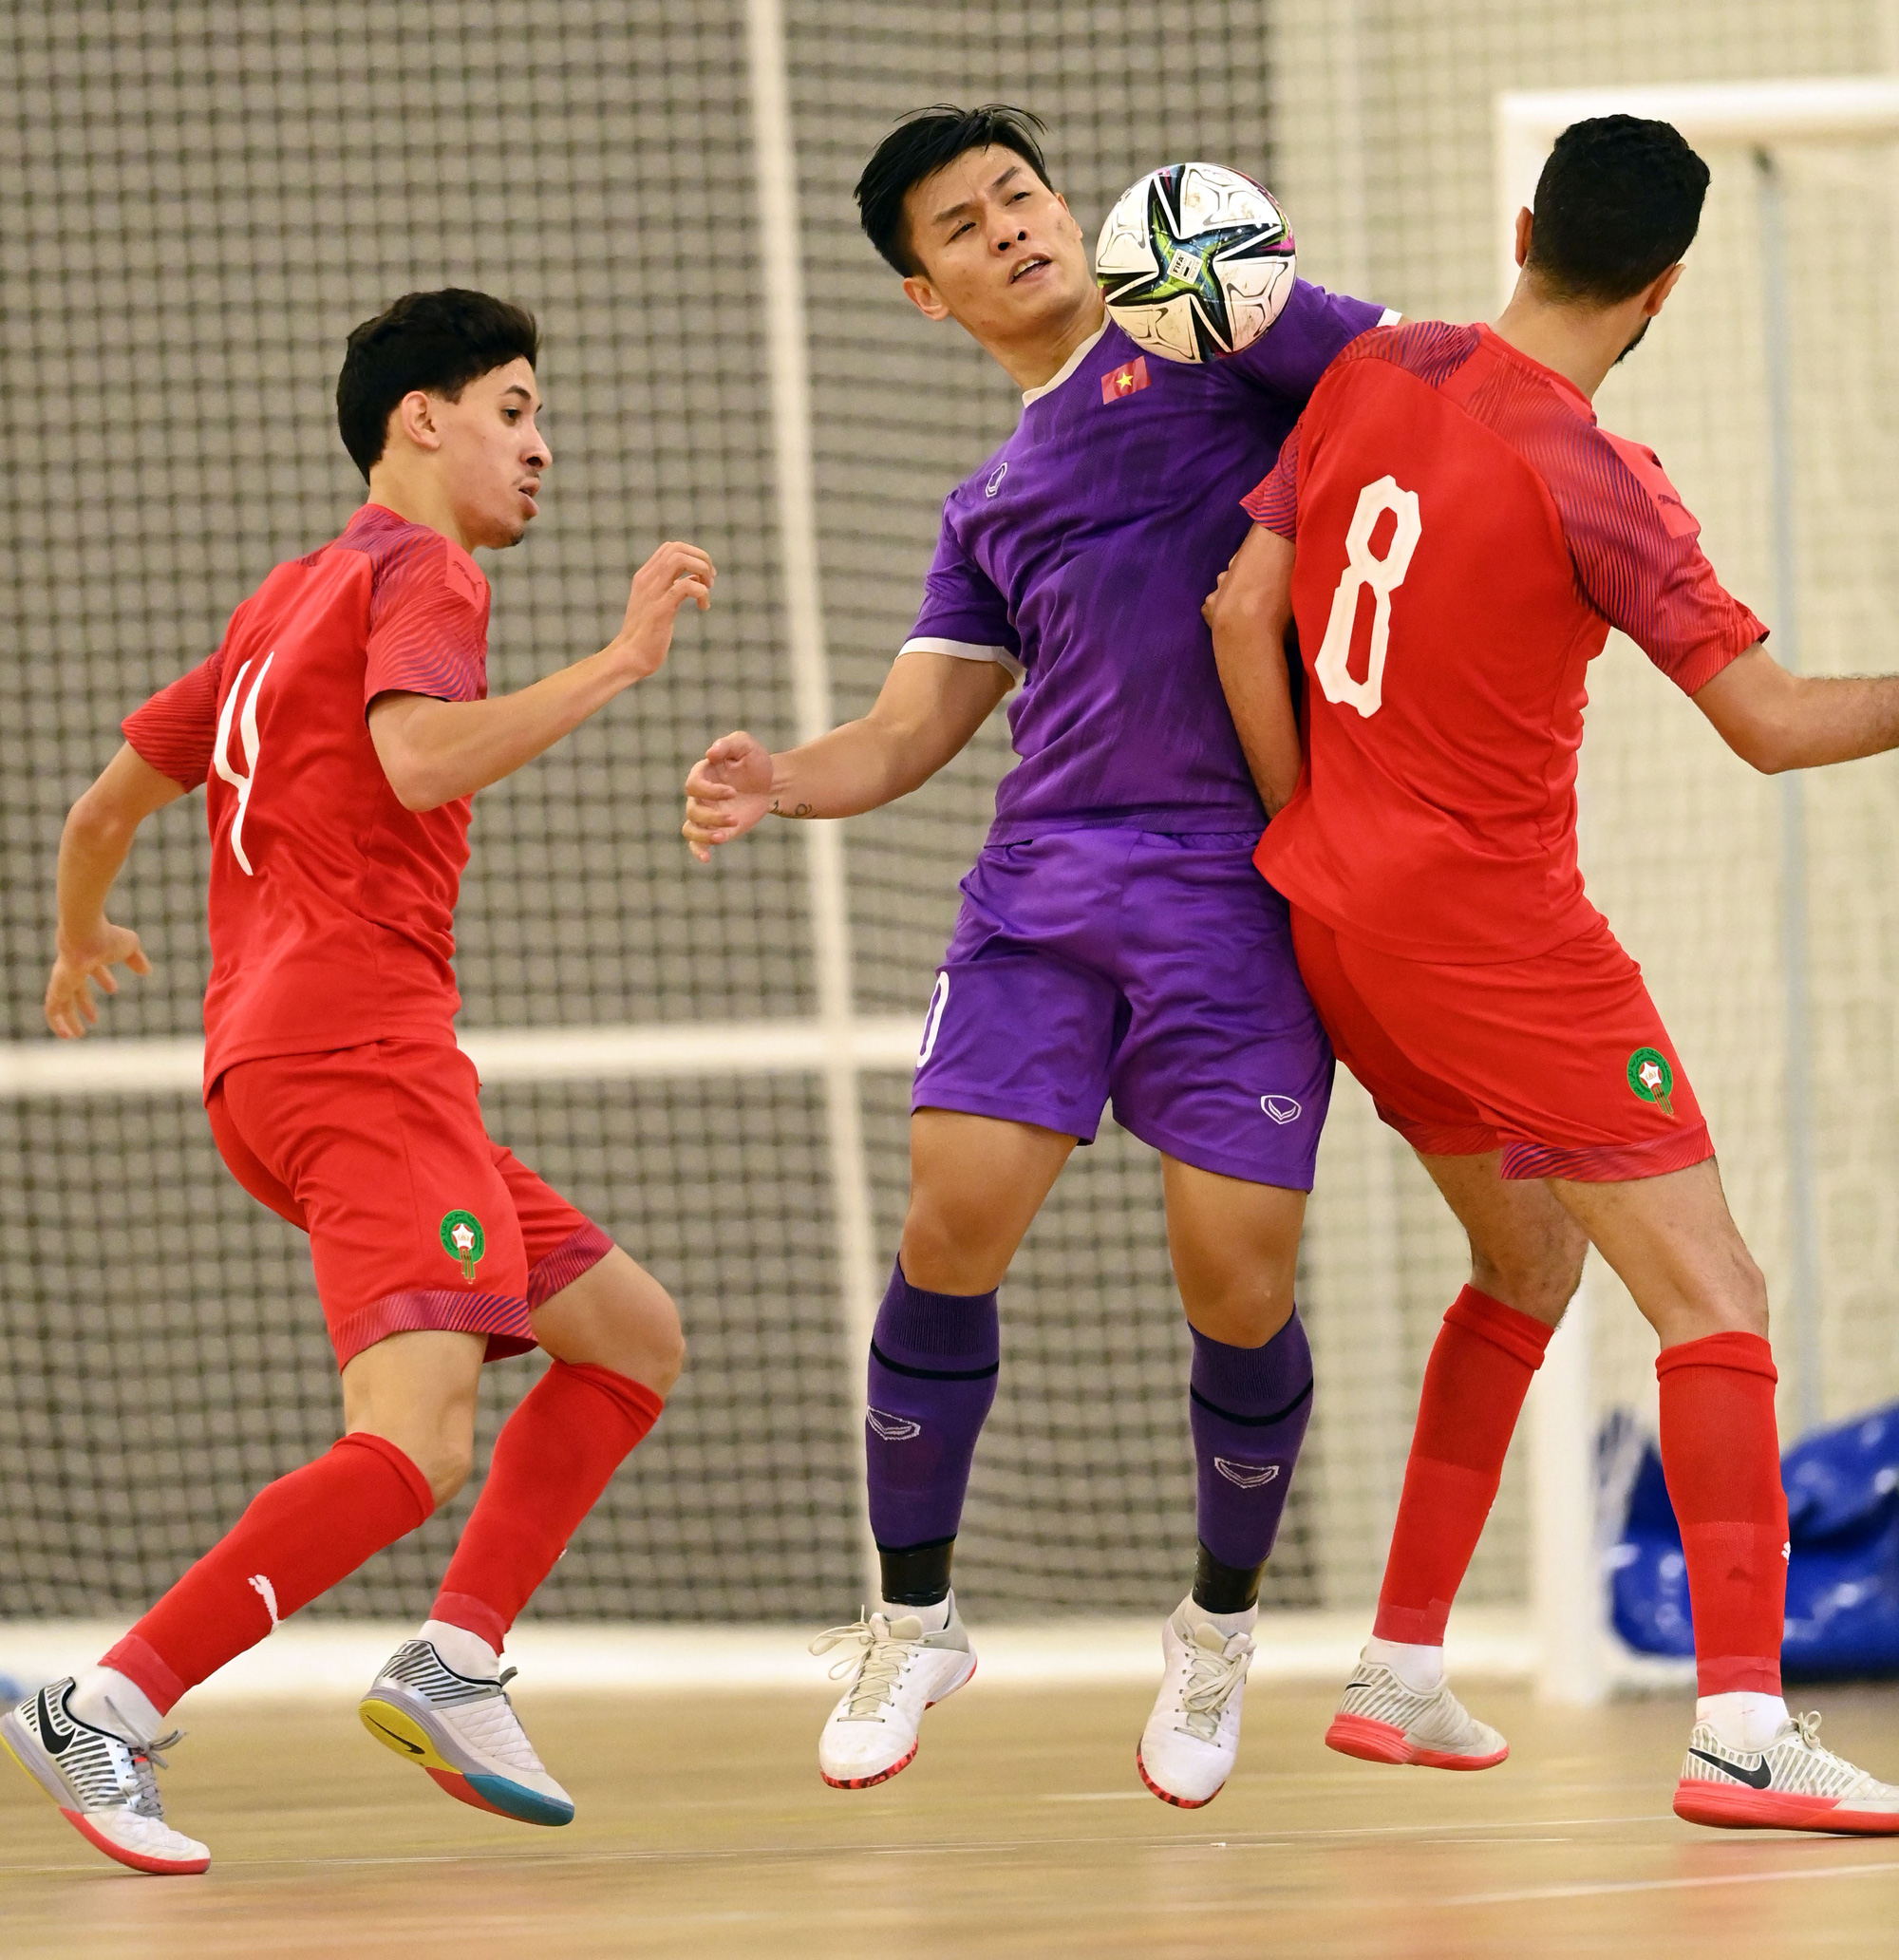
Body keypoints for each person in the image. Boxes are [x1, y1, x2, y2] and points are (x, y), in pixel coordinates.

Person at [683, 104, 1391, 1807]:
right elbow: (911, 727)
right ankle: (914, 1618)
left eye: (1020, 194)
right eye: (960, 226)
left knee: (1239, 1283)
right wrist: (782, 778)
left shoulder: (1224, 348)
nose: (1007, 228)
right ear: (928, 296)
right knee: (952, 1217)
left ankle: (1217, 1633)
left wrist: (1261, 294)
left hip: (1239, 894)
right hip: (1045, 891)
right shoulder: (987, 496)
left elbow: (1405, 372)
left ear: (1071, 211)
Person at [1207, 114, 1899, 1833]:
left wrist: (1325, 832)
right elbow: (1776, 727)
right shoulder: (1601, 477)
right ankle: (1746, 1729)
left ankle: (1400, 1667)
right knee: (1715, 1291)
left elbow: (1240, 610)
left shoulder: (1377, 369)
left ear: (1523, 225)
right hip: (1505, 943)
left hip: (1341, 919)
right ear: (1664, 285)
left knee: (1522, 1264)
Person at [3, 289, 715, 1875]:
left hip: (271, 1063)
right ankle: (103, 1705)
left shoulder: (281, 599)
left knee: (628, 1338)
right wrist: (621, 660)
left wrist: (77, 944)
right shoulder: (426, 570)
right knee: (417, 1438)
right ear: (423, 419)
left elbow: (97, 813)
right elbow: (418, 760)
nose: (542, 445)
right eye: (516, 408)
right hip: (358, 1060)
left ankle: (456, 1660)